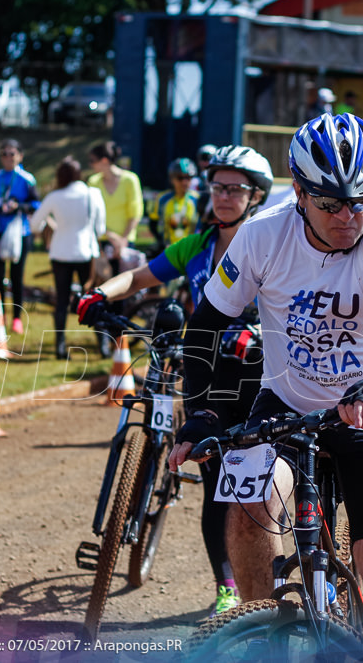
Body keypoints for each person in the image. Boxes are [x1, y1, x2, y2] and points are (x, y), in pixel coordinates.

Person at [167, 113, 363, 657]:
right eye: (331, 203)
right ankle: (263, 636)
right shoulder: (265, 234)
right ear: (299, 190)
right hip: (285, 401)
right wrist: (204, 411)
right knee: (246, 512)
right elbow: (205, 327)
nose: (348, 216)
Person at [77, 144, 273, 617]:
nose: (223, 197)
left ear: (257, 195)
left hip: (256, 375)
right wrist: (100, 293)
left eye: (235, 188)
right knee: (214, 484)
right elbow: (143, 275)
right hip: (204, 373)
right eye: (218, 187)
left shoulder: (270, 243)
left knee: (256, 483)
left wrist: (261, 334)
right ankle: (226, 584)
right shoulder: (199, 245)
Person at [29, 157, 106, 359]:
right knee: (93, 299)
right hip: (86, 253)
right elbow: (101, 229)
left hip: (61, 252)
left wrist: (54, 224)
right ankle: (103, 344)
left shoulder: (55, 196)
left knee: (61, 301)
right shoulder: (92, 194)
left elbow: (35, 225)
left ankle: (60, 347)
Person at [0, 139, 40, 334]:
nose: (8, 158)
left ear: (20, 156)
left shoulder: (27, 178)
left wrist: (18, 206)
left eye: (12, 154)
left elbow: (36, 204)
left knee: (17, 276)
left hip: (20, 232)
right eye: (4, 154)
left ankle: (17, 317)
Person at [87, 142, 143, 275]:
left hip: (126, 242)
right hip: (101, 242)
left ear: (105, 160)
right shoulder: (93, 182)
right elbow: (90, 214)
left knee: (125, 287)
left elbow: (135, 213)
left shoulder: (130, 180)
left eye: (92, 161)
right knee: (102, 288)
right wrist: (109, 235)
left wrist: (122, 241)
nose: (90, 165)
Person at [148, 158, 199, 249]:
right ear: (172, 179)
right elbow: (153, 224)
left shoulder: (197, 199)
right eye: (180, 178)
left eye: (188, 177)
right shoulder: (163, 199)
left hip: (191, 250)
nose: (184, 182)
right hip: (169, 250)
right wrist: (161, 243)